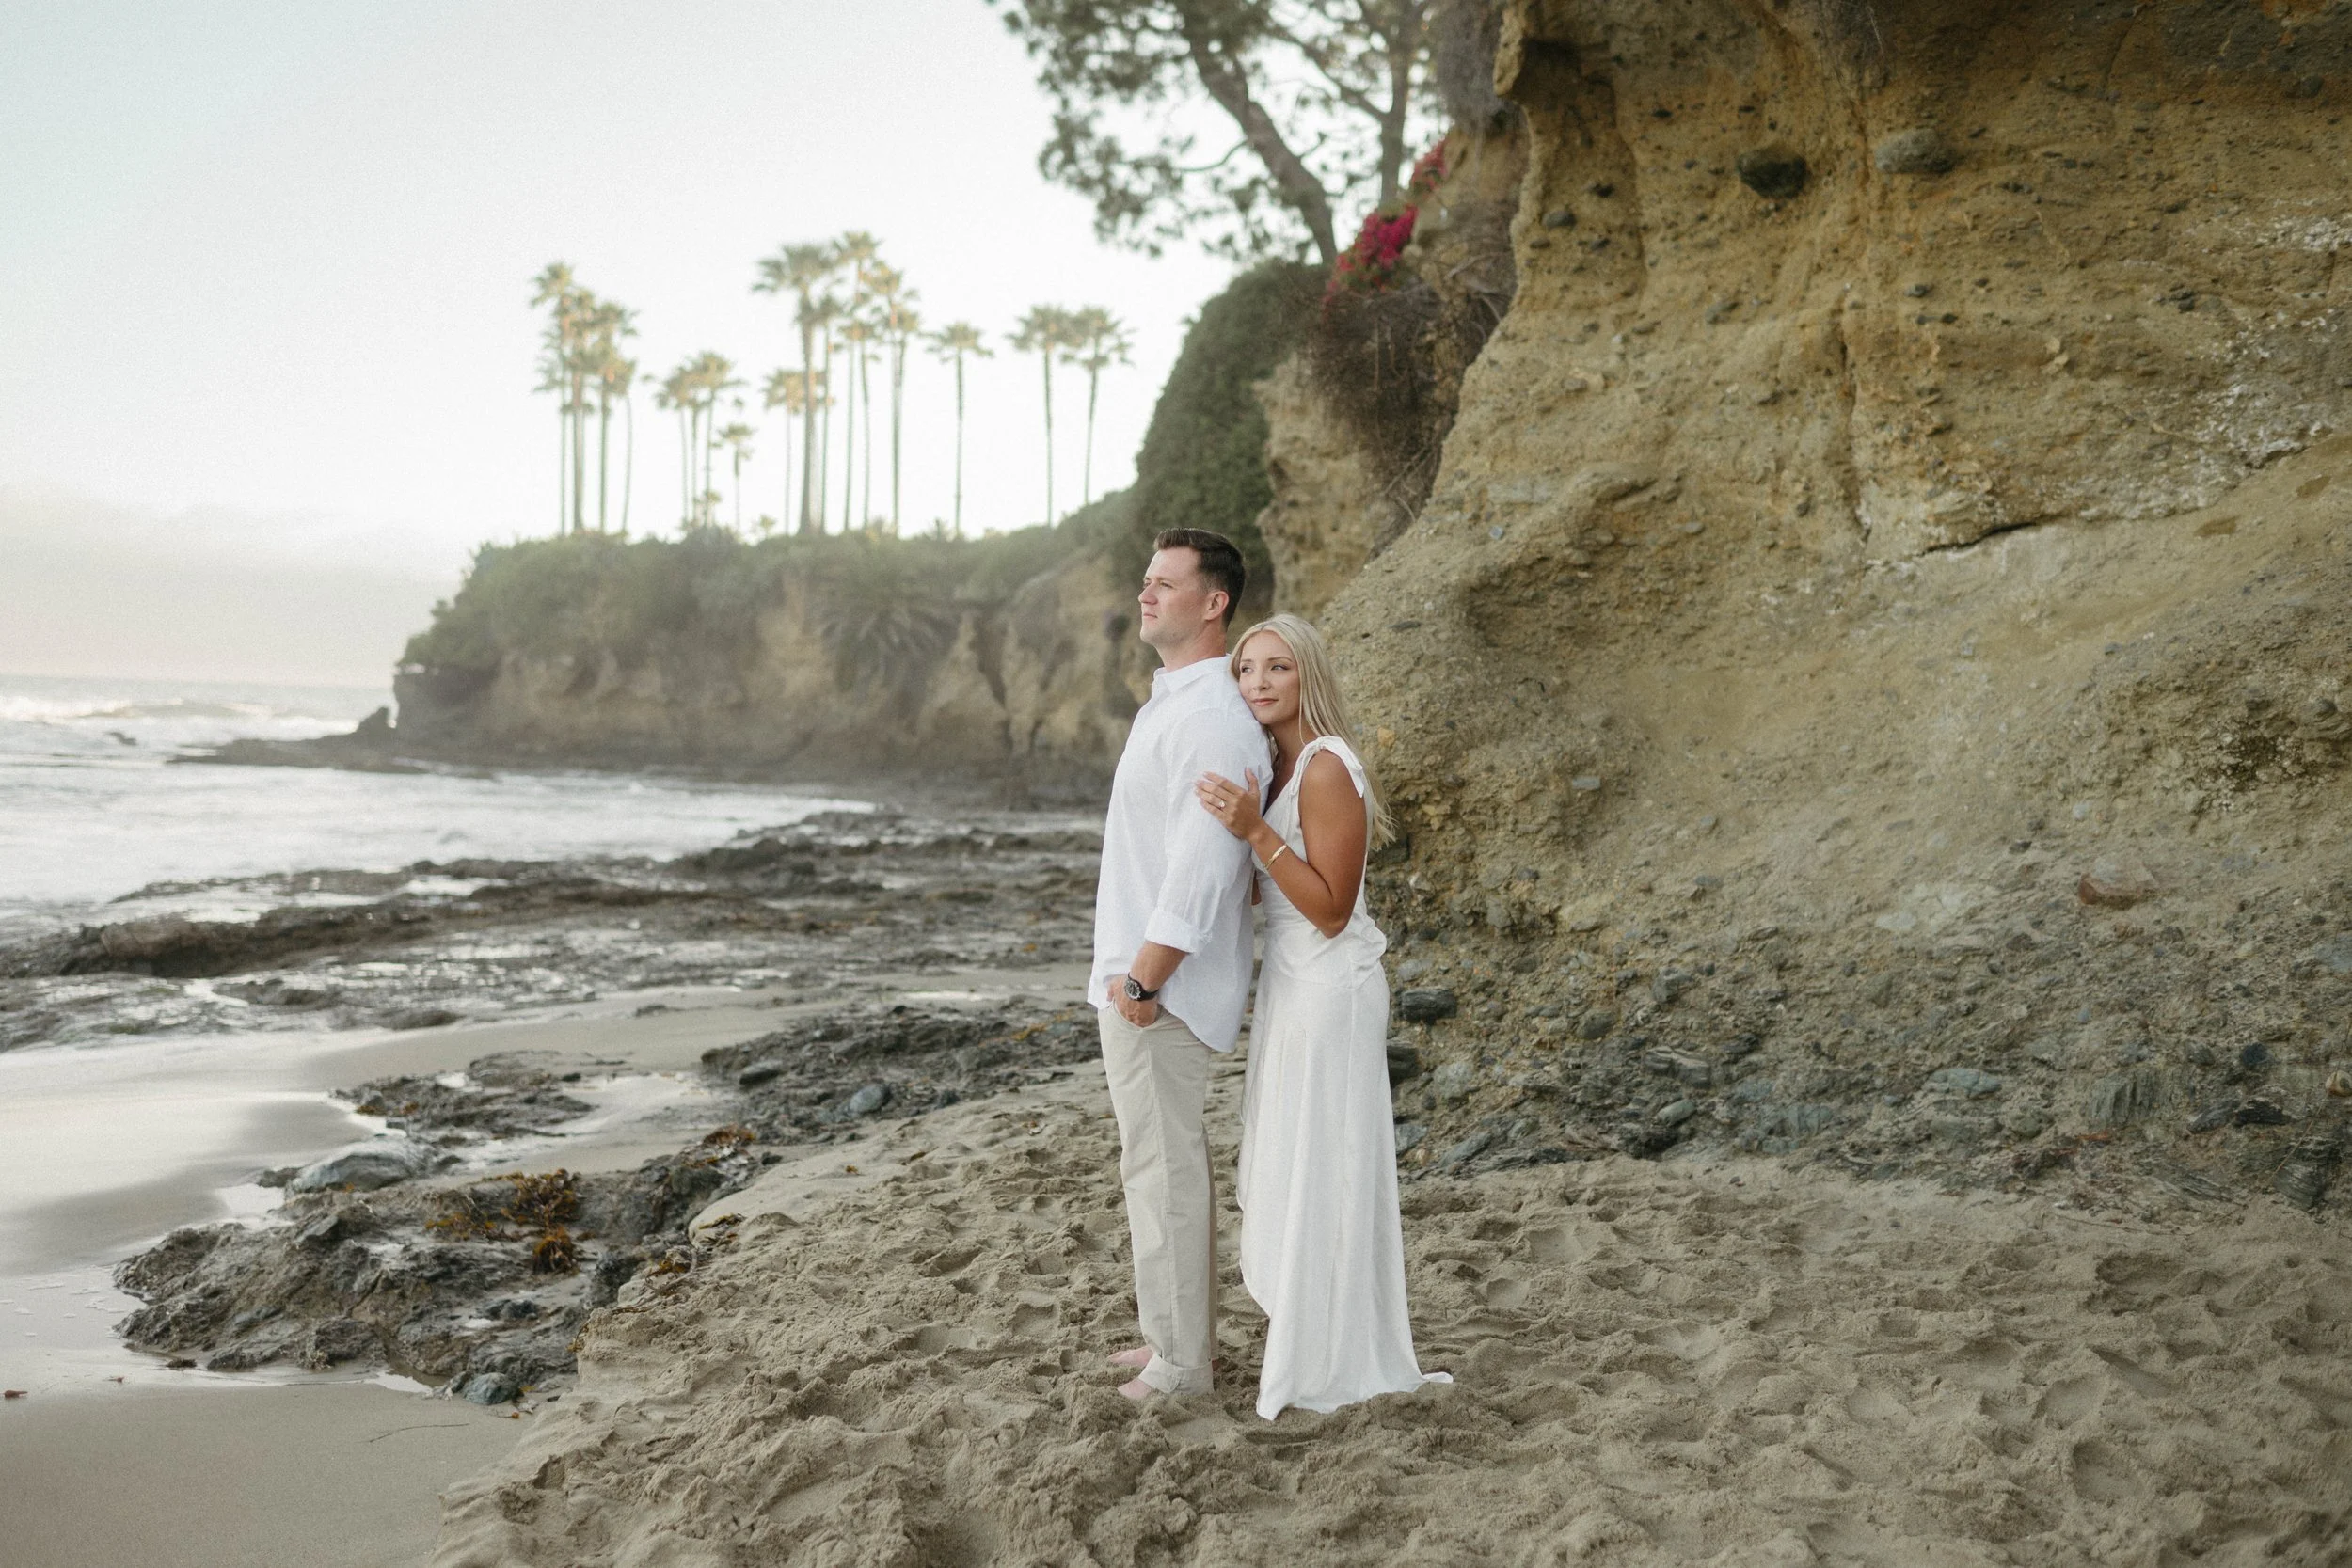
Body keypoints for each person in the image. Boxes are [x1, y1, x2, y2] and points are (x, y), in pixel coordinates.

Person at [1194, 613, 1446, 1420]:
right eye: (1245, 669)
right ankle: (1311, 1338)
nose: (1257, 683)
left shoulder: (1328, 767)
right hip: (1292, 990)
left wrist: (1256, 830)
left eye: (1275, 668)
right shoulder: (1275, 764)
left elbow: (1333, 908)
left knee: (1326, 1167)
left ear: (1308, 676)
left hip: (1332, 988)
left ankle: (1330, 1359)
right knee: (1300, 1166)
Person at [1091, 528, 1269, 1401]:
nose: (1146, 593)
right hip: (1146, 980)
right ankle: (1174, 1336)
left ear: (1215, 601)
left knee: (1163, 1171)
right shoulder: (1174, 701)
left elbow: (1201, 868)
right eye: (1146, 579)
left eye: (1166, 583)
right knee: (1160, 1167)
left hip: (1162, 991)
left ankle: (1182, 1366)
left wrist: (1143, 979)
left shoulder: (1207, 715)